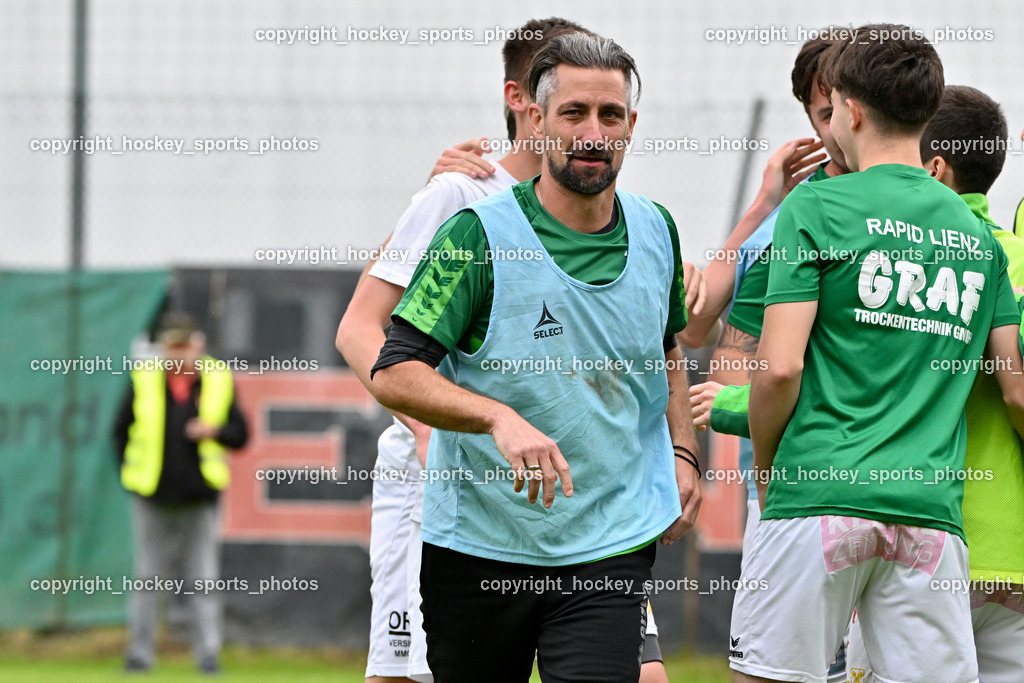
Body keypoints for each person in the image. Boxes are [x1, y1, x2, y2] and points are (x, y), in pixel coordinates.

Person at [369, 32, 701, 683]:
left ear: (631, 126)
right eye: (574, 113)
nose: (593, 132)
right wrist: (497, 417)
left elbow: (667, 345)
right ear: (538, 121)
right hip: (480, 546)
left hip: (609, 540)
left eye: (610, 115)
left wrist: (684, 452)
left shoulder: (657, 228)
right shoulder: (474, 236)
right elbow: (395, 370)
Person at [728, 25, 1024, 683]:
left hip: (816, 498)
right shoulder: (975, 234)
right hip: (930, 520)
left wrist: (769, 470)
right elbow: (1017, 384)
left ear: (851, 110)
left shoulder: (816, 205)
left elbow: (778, 366)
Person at [840, 84, 1024, 683]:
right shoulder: (1015, 256)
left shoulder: (893, 262)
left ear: (936, 169)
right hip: (1013, 551)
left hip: (919, 538)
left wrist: (736, 404)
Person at [113, 311, 248, 674]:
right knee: (147, 577)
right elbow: (120, 431)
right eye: (171, 346)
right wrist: (129, 475)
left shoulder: (217, 377)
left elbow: (241, 434)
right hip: (151, 495)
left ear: (197, 346)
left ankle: (207, 655)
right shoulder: (144, 378)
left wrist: (213, 430)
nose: (177, 354)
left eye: (183, 346)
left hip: (199, 496)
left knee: (202, 578)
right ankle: (139, 655)